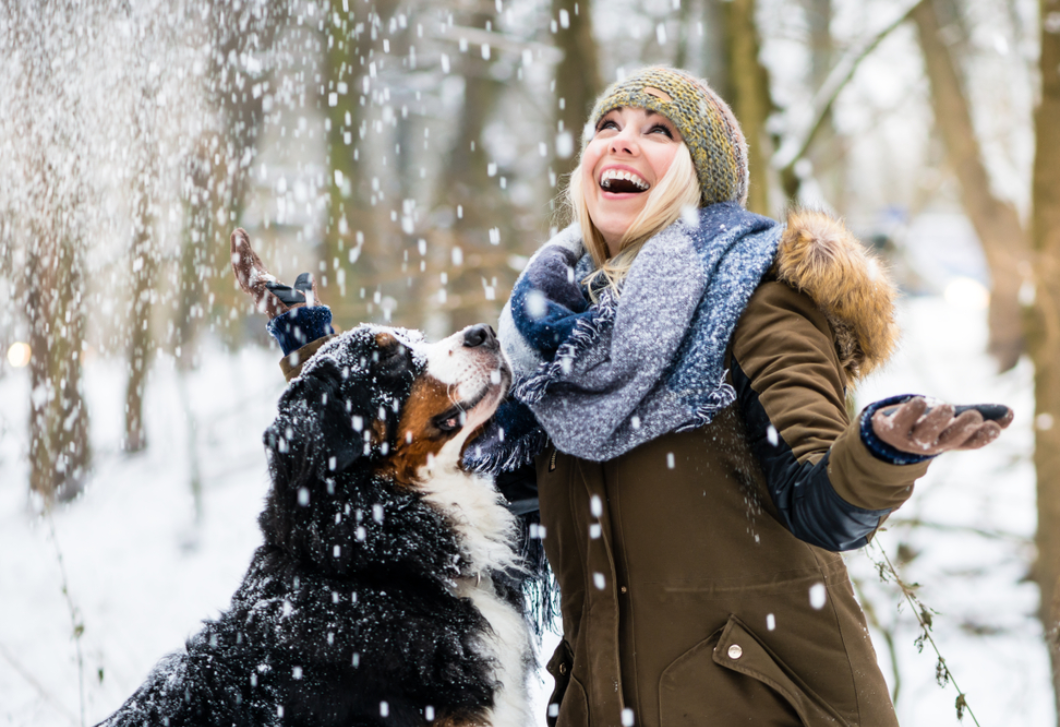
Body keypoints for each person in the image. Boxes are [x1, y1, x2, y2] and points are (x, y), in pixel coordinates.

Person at [233, 66, 1011, 727]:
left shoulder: (756, 297)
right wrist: (317, 358)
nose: (621, 138)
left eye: (658, 130)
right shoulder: (552, 341)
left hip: (762, 704)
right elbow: (450, 456)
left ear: (696, 176)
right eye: (608, 123)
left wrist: (881, 449)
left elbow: (822, 501)